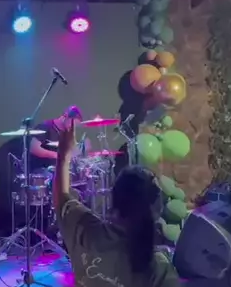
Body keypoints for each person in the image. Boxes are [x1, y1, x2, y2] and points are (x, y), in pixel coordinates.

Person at [52, 123, 180, 286]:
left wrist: (63, 155)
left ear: (115, 200)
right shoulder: (158, 268)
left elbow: (61, 196)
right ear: (156, 210)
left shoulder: (85, 231)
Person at [26, 105, 87, 172]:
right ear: (65, 116)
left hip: (55, 169)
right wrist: (57, 155)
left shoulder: (66, 133)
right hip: (39, 170)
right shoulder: (45, 127)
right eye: (72, 124)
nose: (72, 127)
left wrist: (80, 151)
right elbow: (33, 148)